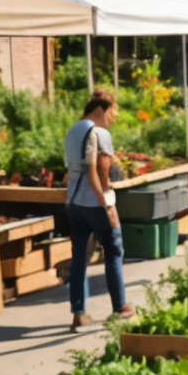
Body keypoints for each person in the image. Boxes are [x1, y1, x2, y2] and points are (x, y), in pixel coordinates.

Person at [64, 89, 131, 332]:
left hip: (73, 202)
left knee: (79, 256)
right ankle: (120, 307)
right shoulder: (98, 132)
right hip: (95, 202)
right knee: (113, 251)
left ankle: (78, 312)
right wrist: (106, 202)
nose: (113, 119)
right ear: (100, 110)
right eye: (112, 113)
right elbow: (101, 168)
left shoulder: (73, 129)